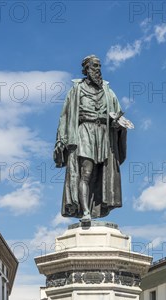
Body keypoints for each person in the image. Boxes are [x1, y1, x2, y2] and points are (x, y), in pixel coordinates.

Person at [53, 55, 128, 221]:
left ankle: (97, 207)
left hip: (104, 134)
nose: (98, 70)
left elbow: (118, 114)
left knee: (102, 174)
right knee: (85, 173)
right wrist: (61, 139)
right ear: (86, 69)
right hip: (84, 131)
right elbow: (65, 116)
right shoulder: (76, 90)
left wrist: (118, 124)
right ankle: (85, 212)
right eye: (94, 66)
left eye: (99, 66)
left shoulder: (108, 92)